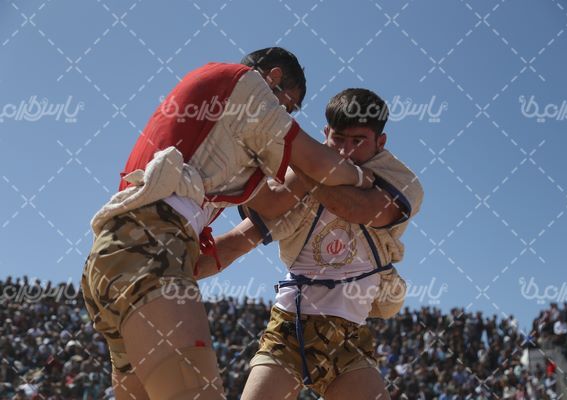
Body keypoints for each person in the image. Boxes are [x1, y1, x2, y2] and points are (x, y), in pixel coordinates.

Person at [80, 48, 373, 400]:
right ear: (274, 78)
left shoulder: (220, 126)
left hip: (111, 258)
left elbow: (274, 202)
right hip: (152, 245)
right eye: (288, 107)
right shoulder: (247, 85)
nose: (285, 117)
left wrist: (307, 181)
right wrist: (365, 178)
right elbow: (316, 162)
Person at [196, 88, 424, 399]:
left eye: (358, 141)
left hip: (349, 336)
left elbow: (360, 209)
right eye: (338, 139)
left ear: (380, 143)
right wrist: (171, 270)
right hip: (290, 327)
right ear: (326, 132)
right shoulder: (296, 178)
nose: (345, 151)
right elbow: (237, 242)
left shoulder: (399, 180)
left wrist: (306, 172)